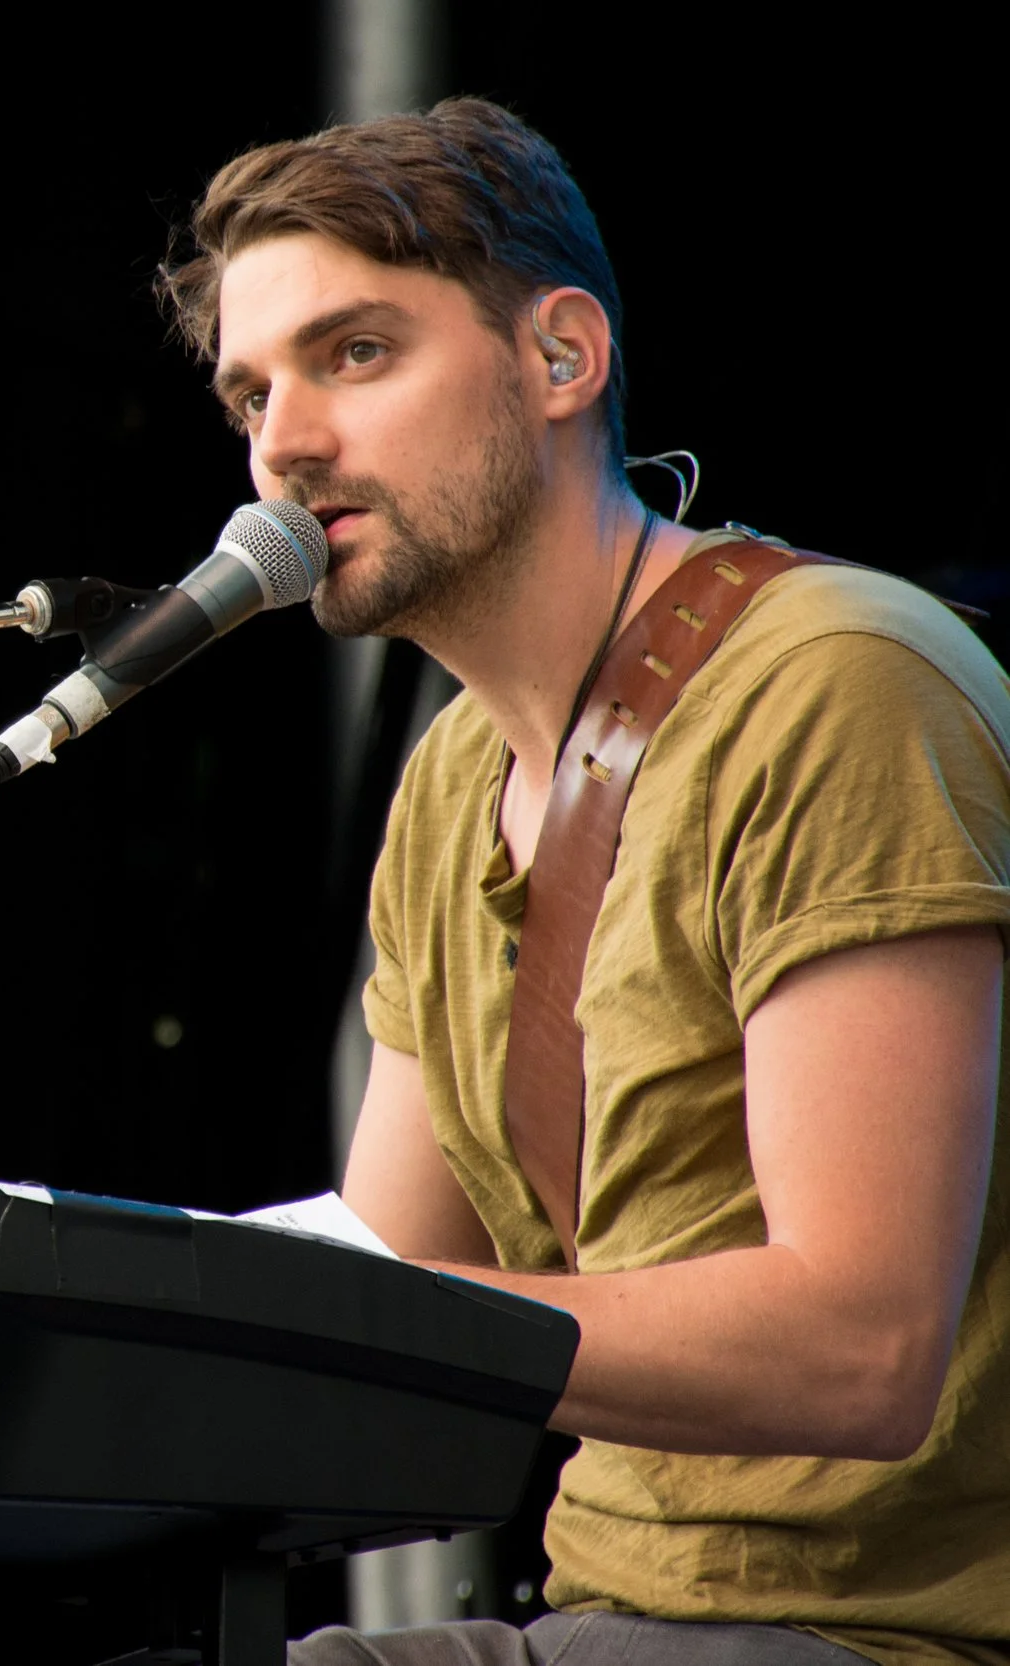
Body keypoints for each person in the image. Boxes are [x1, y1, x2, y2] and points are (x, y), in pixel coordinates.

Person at [157, 99, 1008, 1665]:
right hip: (604, 1617)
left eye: (355, 353)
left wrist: (277, 1314)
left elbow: (867, 1347)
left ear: (562, 357)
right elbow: (386, 1294)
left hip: (882, 1639)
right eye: (250, 391)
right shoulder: (444, 790)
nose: (284, 441)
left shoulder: (840, 686)